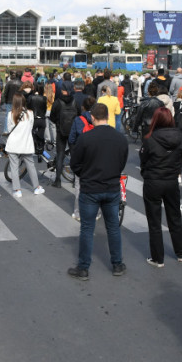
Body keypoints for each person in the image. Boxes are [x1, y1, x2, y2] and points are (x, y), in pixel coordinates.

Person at [67, 103, 130, 280]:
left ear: (92, 117)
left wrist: (85, 174)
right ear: (108, 117)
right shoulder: (120, 138)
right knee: (113, 227)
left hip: (90, 188)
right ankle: (117, 264)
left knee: (87, 228)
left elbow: (74, 164)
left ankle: (84, 268)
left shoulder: (86, 138)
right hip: (111, 187)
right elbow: (122, 162)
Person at [139, 108, 182, 266]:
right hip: (171, 180)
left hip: (153, 180)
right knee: (174, 217)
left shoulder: (149, 138)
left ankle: (157, 258)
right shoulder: (179, 137)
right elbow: (181, 156)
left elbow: (144, 159)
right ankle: (181, 252)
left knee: (154, 221)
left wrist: (146, 172)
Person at [4, 93, 43, 198]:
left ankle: (17, 190)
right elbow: (30, 128)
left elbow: (8, 129)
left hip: (13, 144)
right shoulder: (30, 113)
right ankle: (36, 187)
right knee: (31, 166)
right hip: (26, 143)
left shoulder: (10, 114)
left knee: (14, 167)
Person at [49, 84, 78, 188]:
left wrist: (58, 122)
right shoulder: (75, 101)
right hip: (73, 132)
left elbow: (52, 117)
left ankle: (58, 180)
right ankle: (75, 180)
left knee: (60, 154)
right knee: (74, 156)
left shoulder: (58, 102)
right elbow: (79, 115)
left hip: (60, 131)